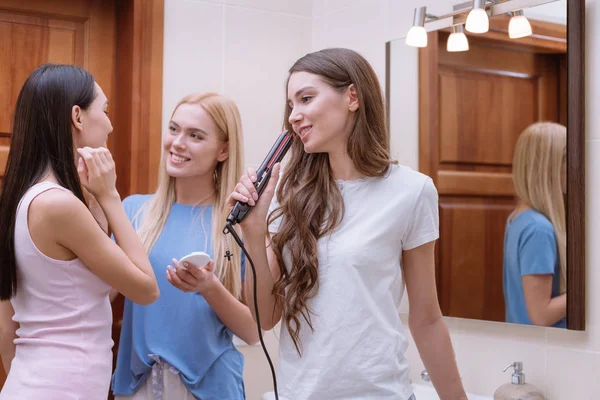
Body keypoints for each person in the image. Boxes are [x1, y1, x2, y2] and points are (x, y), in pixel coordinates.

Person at [227, 48, 467, 400]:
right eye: (291, 105)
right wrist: (253, 232)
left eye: (306, 98)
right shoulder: (286, 193)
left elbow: (427, 319)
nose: (294, 115)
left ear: (352, 96)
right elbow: (265, 317)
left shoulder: (412, 192)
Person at [0, 63, 159, 400]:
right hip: (60, 387)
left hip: (35, 384)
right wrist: (111, 196)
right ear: (77, 117)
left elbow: (95, 292)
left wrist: (96, 200)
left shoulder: (22, 199)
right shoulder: (59, 206)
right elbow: (146, 289)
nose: (111, 124)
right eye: (104, 110)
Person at [112, 92, 259, 400]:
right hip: (139, 387)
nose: (178, 142)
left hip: (212, 389)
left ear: (223, 150)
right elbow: (100, 293)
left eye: (195, 135)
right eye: (174, 129)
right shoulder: (133, 212)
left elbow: (251, 332)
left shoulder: (237, 225)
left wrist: (209, 287)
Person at [503, 121, 567, 328]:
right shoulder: (538, 230)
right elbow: (541, 315)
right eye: (569, 160)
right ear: (552, 166)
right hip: (547, 348)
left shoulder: (518, 219)